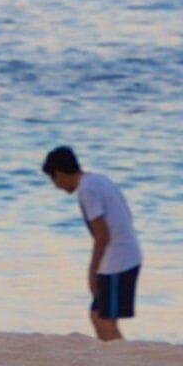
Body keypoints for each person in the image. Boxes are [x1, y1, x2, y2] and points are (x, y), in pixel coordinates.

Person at [42, 145, 141, 340]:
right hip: (128, 254)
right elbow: (126, 214)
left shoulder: (87, 190)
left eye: (53, 179)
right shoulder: (99, 179)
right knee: (101, 316)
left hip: (118, 260)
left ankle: (121, 360)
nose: (56, 186)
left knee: (102, 318)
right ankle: (115, 359)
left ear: (60, 174)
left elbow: (102, 234)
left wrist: (92, 271)